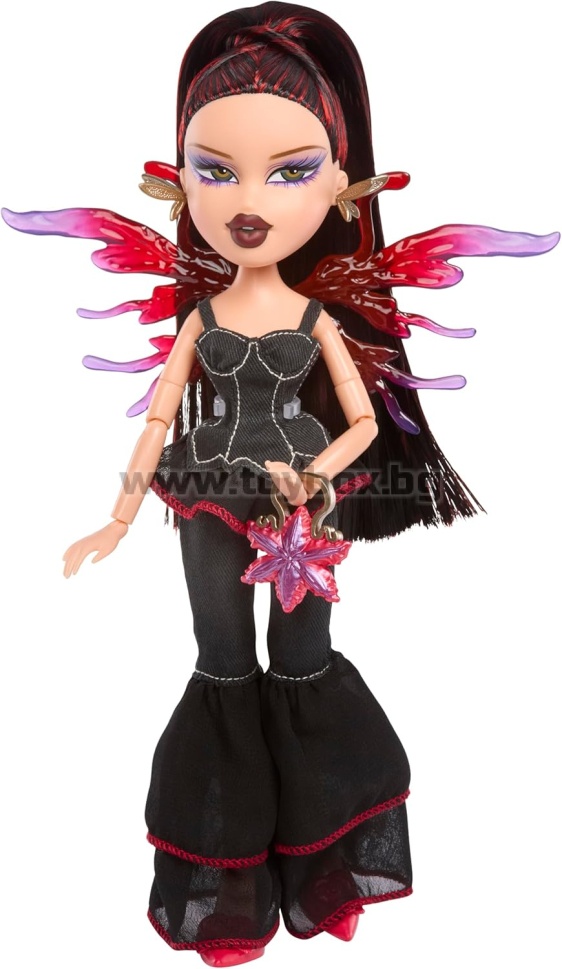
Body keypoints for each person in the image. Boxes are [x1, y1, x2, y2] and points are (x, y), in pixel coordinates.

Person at [1, 3, 558, 966]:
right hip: (205, 495)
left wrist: (317, 472)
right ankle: (232, 882)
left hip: (305, 507)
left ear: (342, 186)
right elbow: (159, 417)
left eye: (290, 171)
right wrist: (117, 516)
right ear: (178, 181)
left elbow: (362, 423)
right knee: (222, 661)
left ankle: (320, 862)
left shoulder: (318, 319)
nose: (248, 200)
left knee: (303, 658)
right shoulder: (203, 318)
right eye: (215, 170)